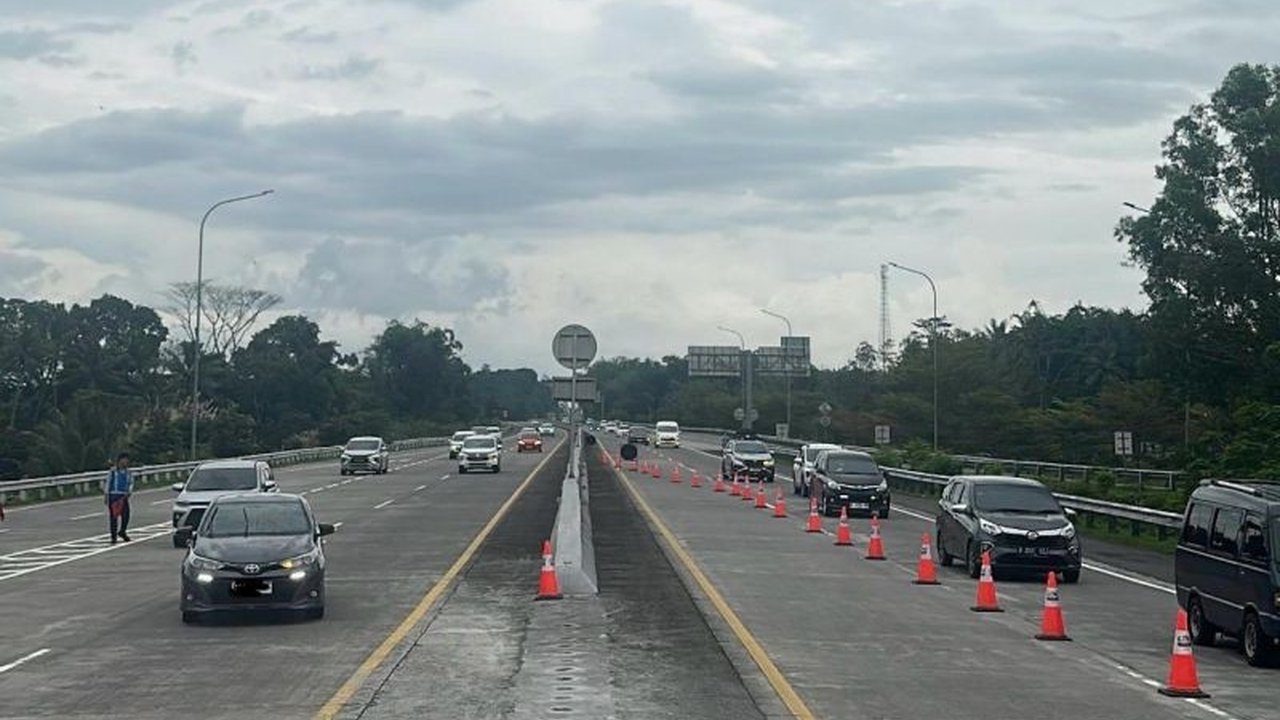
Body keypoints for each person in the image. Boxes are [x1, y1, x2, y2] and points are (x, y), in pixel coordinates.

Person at [105, 452, 133, 543]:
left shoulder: (128, 472)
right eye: (124, 460)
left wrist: (129, 491)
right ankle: (113, 537)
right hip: (113, 495)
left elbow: (131, 483)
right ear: (120, 460)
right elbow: (108, 483)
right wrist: (106, 495)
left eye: (127, 460)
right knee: (113, 517)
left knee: (126, 515)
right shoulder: (113, 471)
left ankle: (122, 531)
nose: (126, 462)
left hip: (123, 496)